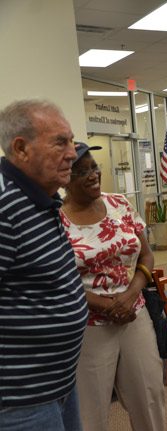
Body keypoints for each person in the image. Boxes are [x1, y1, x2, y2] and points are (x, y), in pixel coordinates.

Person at [59, 142, 165, 431]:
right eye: (81, 172)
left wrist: (130, 295)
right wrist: (106, 304)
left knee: (150, 397)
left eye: (94, 167)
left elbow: (146, 254)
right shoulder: (55, 219)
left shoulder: (119, 203)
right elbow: (59, 279)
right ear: (64, 180)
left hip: (134, 313)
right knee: (90, 412)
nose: (92, 175)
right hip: (88, 324)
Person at [0, 99, 88, 430]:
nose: (73, 153)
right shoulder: (5, 206)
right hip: (21, 399)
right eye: (60, 142)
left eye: (72, 141)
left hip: (58, 381)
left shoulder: (41, 198)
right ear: (21, 149)